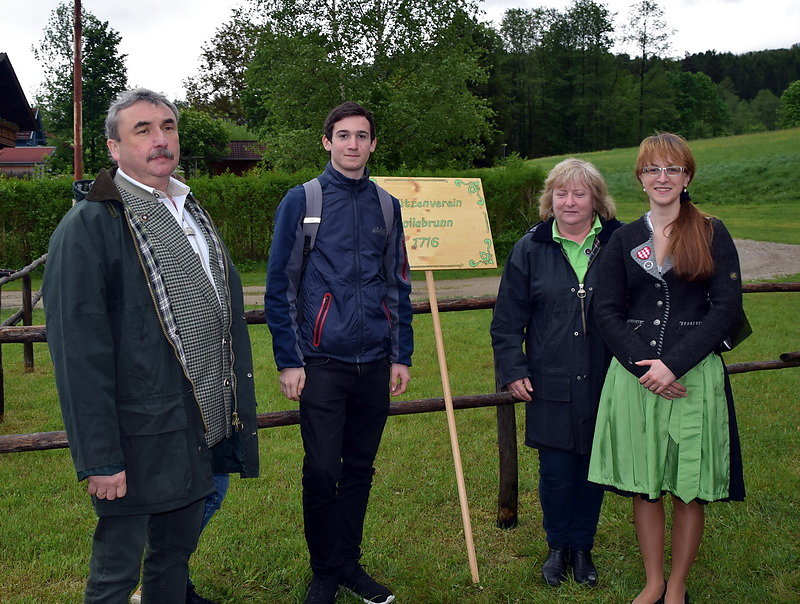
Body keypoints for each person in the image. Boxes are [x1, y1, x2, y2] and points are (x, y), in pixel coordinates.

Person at [43, 88, 259, 603]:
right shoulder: (90, 226)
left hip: (195, 421)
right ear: (113, 148)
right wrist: (99, 458)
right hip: (134, 436)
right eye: (143, 130)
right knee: (116, 574)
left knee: (172, 560)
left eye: (168, 127)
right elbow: (79, 356)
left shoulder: (189, 212)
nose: (161, 140)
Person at [588, 133, 746, 604]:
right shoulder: (623, 239)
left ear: (687, 177)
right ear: (640, 178)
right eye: (653, 169)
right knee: (646, 482)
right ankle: (654, 580)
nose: (662, 177)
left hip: (693, 375)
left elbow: (726, 309)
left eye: (672, 169)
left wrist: (673, 365)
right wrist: (645, 367)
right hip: (636, 376)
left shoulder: (713, 232)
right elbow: (606, 311)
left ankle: (677, 585)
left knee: (689, 486)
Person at [265, 101, 413, 604]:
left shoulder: (388, 206)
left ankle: (350, 564)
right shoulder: (302, 200)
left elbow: (398, 286)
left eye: (362, 136)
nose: (353, 144)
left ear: (373, 144)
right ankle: (324, 570)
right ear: (327, 142)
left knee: (359, 469)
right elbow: (279, 286)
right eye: (343, 135)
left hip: (374, 362)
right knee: (323, 467)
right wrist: (289, 358)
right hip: (321, 363)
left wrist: (402, 355)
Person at [490, 158, 623, 588]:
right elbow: (507, 320)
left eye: (579, 193)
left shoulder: (621, 243)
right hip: (549, 378)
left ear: (596, 200)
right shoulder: (530, 248)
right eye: (561, 193)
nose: (569, 201)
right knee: (556, 469)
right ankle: (556, 547)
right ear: (550, 199)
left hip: (607, 376)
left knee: (593, 467)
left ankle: (582, 548)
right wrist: (513, 368)